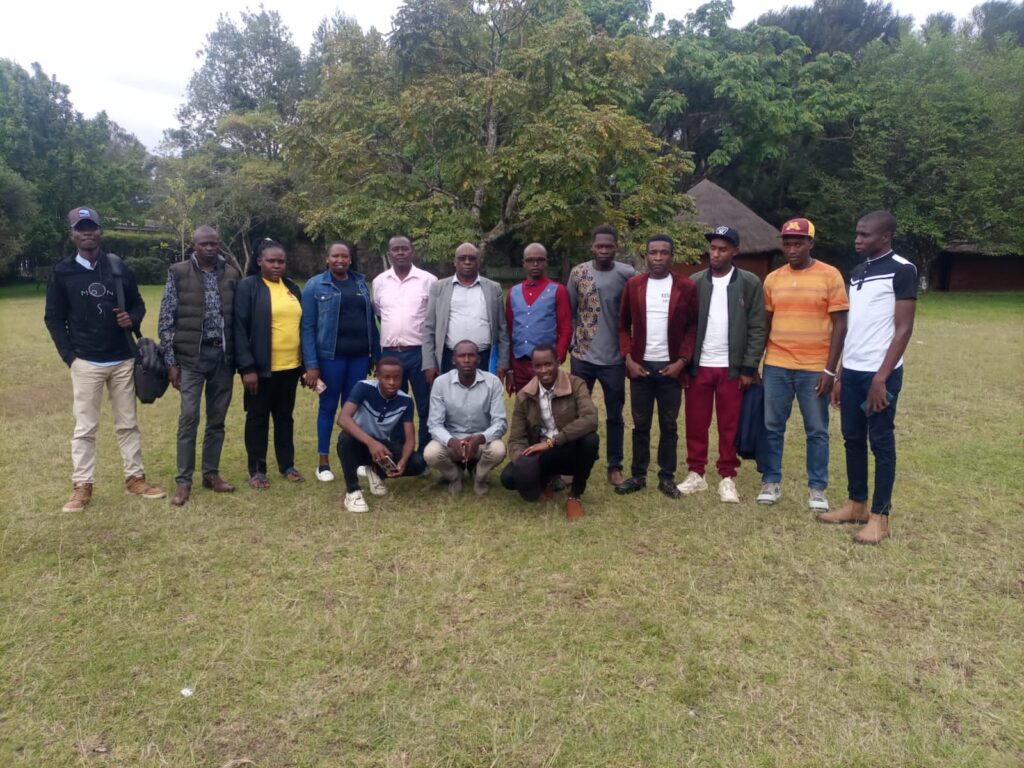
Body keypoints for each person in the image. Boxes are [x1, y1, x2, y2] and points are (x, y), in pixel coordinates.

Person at [44, 205, 165, 511]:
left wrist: (131, 319)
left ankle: (135, 478)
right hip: (86, 361)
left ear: (100, 231)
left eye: (91, 228)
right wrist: (70, 357)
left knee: (128, 424)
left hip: (123, 359)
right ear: (72, 234)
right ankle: (82, 486)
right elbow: (54, 318)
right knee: (85, 428)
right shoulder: (62, 272)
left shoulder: (117, 266)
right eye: (80, 229)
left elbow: (138, 304)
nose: (87, 233)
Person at [819, 211, 917, 544]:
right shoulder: (859, 271)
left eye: (865, 235)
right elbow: (856, 327)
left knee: (881, 442)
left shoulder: (902, 270)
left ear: (885, 236)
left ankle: (880, 517)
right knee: (852, 438)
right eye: (857, 234)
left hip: (881, 375)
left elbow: (903, 328)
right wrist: (842, 373)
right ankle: (857, 504)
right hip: (854, 372)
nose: (857, 240)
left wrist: (882, 378)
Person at [756, 218, 848, 511]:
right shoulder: (773, 279)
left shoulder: (830, 276)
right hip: (777, 364)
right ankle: (771, 482)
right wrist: (756, 365)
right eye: (787, 243)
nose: (792, 249)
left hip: (814, 368)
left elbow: (840, 326)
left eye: (798, 243)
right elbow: (765, 325)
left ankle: (817, 488)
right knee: (772, 426)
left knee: (817, 429)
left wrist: (830, 370)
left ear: (811, 243)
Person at [678, 226, 766, 503]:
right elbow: (685, 325)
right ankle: (696, 473)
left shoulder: (749, 283)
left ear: (735, 251)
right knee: (696, 422)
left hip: (732, 367)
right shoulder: (695, 281)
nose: (715, 254)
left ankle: (727, 476)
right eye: (713, 248)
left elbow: (757, 327)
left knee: (729, 424)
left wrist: (749, 368)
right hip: (700, 365)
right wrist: (684, 361)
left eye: (722, 249)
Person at [158, 225, 242, 506]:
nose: (209, 248)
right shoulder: (179, 272)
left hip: (223, 358)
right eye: (204, 244)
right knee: (189, 418)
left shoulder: (231, 273)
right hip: (191, 359)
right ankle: (183, 481)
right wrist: (171, 362)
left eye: (214, 243)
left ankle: (211, 474)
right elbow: (167, 318)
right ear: (194, 245)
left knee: (217, 420)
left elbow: (238, 319)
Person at [615, 234, 698, 499]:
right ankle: (638, 475)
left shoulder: (685, 287)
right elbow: (622, 326)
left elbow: (692, 328)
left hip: (671, 368)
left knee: (669, 425)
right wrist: (628, 359)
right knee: (640, 424)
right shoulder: (634, 285)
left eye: (664, 253)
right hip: (640, 366)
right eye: (653, 253)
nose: (658, 258)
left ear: (672, 255)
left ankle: (666, 477)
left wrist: (682, 362)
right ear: (645, 255)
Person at [300, 241, 380, 482]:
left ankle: (353, 458)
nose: (340, 260)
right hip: (330, 358)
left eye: (344, 256)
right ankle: (323, 462)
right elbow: (308, 327)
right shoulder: (315, 285)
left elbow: (370, 323)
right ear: (327, 259)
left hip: (359, 357)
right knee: (328, 407)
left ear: (350, 259)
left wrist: (376, 355)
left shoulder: (360, 283)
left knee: (354, 410)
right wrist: (311, 364)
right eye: (335, 256)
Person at [567, 224, 636, 486]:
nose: (604, 250)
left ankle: (614, 465)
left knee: (615, 414)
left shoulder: (627, 274)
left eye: (609, 246)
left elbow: (632, 314)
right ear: (592, 247)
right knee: (576, 413)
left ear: (616, 247)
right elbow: (571, 311)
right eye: (599, 246)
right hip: (583, 356)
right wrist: (575, 343)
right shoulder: (579, 273)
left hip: (614, 359)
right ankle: (573, 463)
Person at [233, 238, 305, 489]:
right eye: (271, 261)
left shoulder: (292, 288)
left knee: (285, 418)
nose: (277, 265)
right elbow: (239, 329)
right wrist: (247, 368)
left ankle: (287, 464)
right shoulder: (248, 286)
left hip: (290, 368)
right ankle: (257, 470)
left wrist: (304, 366)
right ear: (259, 261)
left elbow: (301, 327)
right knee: (258, 418)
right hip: (260, 370)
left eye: (281, 261)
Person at [501, 344, 599, 520]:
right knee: (508, 478)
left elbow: (590, 419)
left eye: (548, 364)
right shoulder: (525, 395)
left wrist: (552, 442)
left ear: (558, 362)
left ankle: (575, 494)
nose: (544, 370)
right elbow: (516, 438)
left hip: (568, 447)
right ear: (533, 367)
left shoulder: (576, 384)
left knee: (590, 440)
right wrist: (522, 462)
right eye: (538, 366)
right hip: (542, 454)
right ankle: (547, 480)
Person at [336, 357, 427, 513]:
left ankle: (376, 471)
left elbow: (410, 439)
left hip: (381, 447)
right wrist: (371, 443)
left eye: (396, 378)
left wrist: (403, 461)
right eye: (386, 377)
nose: (392, 382)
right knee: (345, 439)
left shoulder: (405, 401)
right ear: (377, 376)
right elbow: (343, 419)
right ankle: (352, 491)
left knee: (418, 463)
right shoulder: (363, 387)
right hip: (358, 441)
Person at [372, 235, 437, 452]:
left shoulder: (429, 280)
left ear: (412, 251)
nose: (400, 253)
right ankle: (398, 450)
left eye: (404, 249)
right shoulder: (379, 282)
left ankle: (425, 452)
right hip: (391, 354)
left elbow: (434, 319)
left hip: (419, 352)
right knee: (393, 404)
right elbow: (381, 316)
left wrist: (430, 360)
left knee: (425, 404)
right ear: (389, 254)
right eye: (395, 249)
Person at [424, 341, 508, 496]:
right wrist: (452, 441)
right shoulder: (441, 383)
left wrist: (480, 438)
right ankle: (455, 476)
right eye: (462, 356)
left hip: (481, 440)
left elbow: (500, 423)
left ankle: (480, 477)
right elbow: (434, 424)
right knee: (431, 453)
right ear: (453, 360)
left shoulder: (493, 382)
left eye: (471, 355)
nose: (467, 360)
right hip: (453, 440)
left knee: (498, 449)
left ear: (479, 359)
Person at [421, 243, 508, 386]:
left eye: (472, 258)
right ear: (455, 262)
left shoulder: (493, 288)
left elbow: (502, 329)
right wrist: (429, 363)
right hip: (450, 357)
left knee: (484, 402)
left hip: (483, 357)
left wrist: (503, 363)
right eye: (462, 258)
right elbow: (429, 328)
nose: (467, 262)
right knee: (450, 402)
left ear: (478, 262)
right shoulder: (439, 287)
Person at [505, 243, 572, 392]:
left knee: (549, 408)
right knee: (524, 408)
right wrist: (510, 367)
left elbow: (566, 328)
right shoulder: (513, 292)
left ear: (546, 262)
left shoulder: (558, 290)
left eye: (540, 260)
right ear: (523, 263)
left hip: (546, 364)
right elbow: (509, 330)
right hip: (520, 363)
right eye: (530, 260)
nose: (535, 264)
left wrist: (558, 357)